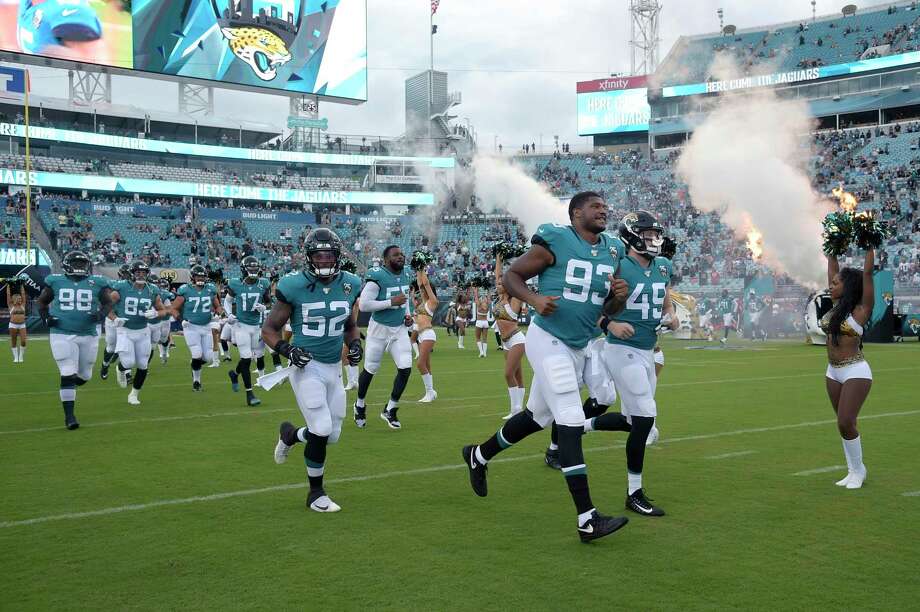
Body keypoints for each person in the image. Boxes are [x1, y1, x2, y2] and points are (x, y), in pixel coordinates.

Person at [460, 191, 631, 543]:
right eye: (595, 206)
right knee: (569, 417)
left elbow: (608, 309)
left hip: (580, 344)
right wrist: (535, 299)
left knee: (537, 417)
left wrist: (619, 297)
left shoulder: (613, 248)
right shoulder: (555, 239)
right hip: (548, 337)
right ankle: (587, 519)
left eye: (604, 206)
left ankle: (478, 455)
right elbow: (512, 276)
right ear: (576, 212)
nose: (603, 210)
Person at [267, 228, 363, 513]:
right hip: (306, 366)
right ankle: (315, 493)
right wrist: (286, 349)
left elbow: (349, 326)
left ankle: (291, 436)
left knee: (330, 435)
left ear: (338, 256)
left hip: (333, 368)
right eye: (318, 256)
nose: (324, 261)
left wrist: (355, 344)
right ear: (308, 258)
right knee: (320, 428)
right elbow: (269, 329)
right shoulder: (293, 286)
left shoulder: (350, 283)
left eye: (329, 255)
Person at [591, 211, 678, 517]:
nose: (654, 240)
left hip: (647, 350)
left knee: (632, 420)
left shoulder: (663, 266)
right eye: (649, 235)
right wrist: (609, 325)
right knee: (645, 417)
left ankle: (579, 425)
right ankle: (634, 492)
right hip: (620, 348)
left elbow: (666, 301)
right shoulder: (619, 266)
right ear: (631, 236)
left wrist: (672, 316)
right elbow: (593, 305)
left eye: (656, 235)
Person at [37, 251, 116, 429]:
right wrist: (46, 319)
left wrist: (101, 315)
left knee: (85, 374)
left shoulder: (97, 283)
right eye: (76, 263)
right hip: (61, 332)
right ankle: (70, 417)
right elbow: (41, 302)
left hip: (88, 333)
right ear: (66, 264)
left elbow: (108, 303)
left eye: (82, 264)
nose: (80, 267)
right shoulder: (55, 281)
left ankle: (69, 387)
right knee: (67, 371)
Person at [822, 248, 874, 489]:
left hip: (855, 371)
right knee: (842, 423)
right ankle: (853, 470)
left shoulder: (861, 311)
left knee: (846, 421)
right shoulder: (836, 306)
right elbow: (832, 268)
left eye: (836, 283)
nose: (831, 286)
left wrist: (869, 246)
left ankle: (859, 470)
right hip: (832, 371)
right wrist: (832, 249)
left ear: (848, 286)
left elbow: (867, 274)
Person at [354, 245, 413, 430]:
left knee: (406, 368)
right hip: (379, 330)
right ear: (386, 260)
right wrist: (390, 302)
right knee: (370, 369)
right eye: (396, 255)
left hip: (399, 329)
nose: (400, 256)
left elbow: (405, 299)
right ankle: (360, 404)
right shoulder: (377, 276)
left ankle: (390, 409)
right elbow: (364, 305)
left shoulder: (405, 274)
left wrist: (408, 315)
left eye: (401, 253)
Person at [110, 261, 166, 405]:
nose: (141, 275)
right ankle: (120, 369)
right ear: (132, 274)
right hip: (125, 330)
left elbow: (163, 310)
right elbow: (106, 305)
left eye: (143, 273)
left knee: (142, 364)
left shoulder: (152, 289)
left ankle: (134, 394)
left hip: (143, 331)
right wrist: (114, 318)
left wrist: (155, 313)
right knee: (128, 362)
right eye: (138, 272)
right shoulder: (122, 287)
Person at [226, 256, 271, 406]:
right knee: (246, 358)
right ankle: (249, 394)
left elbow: (268, 300)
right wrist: (229, 314)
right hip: (240, 324)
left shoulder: (264, 283)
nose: (253, 271)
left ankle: (235, 374)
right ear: (244, 269)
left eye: (255, 268)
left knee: (247, 358)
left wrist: (265, 307)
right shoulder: (235, 283)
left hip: (255, 326)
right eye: (250, 268)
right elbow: (227, 301)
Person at [170, 265, 223, 391]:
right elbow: (173, 308)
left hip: (206, 326)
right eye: (198, 276)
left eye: (203, 276)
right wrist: (181, 320)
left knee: (208, 357)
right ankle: (196, 382)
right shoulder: (185, 290)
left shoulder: (210, 289)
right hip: (191, 326)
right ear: (192, 277)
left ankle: (194, 365)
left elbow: (218, 306)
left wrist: (220, 314)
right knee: (197, 353)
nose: (201, 278)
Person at [493, 251, 526, 419]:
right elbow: (497, 274)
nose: (498, 284)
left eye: (500, 283)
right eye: (497, 283)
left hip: (517, 339)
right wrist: (499, 257)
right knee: (517, 375)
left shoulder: (515, 299)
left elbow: (518, 280)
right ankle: (519, 409)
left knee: (508, 374)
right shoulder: (499, 298)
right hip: (506, 342)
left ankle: (515, 410)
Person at [100, 264, 131, 380]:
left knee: (127, 346)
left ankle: (127, 373)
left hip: (127, 321)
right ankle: (105, 365)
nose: (128, 276)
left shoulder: (137, 287)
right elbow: (106, 305)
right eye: (126, 274)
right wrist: (114, 317)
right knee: (111, 347)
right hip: (112, 319)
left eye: (130, 274)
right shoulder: (114, 286)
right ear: (120, 275)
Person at [413, 268, 439, 402]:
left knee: (420, 364)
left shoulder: (433, 302)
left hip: (428, 334)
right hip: (421, 335)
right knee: (427, 365)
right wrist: (418, 268)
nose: (421, 290)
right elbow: (420, 283)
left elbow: (425, 283)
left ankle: (429, 392)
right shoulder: (424, 302)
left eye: (424, 289)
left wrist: (423, 268)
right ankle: (431, 392)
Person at [156, 277, 176, 364]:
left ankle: (164, 353)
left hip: (164, 319)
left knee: (164, 338)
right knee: (153, 339)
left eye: (164, 286)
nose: (162, 288)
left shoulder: (168, 295)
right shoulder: (150, 292)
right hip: (153, 320)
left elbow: (170, 308)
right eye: (161, 286)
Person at [7, 281, 27, 363]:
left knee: (23, 341)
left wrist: (22, 284)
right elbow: (8, 295)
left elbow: (23, 294)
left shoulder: (23, 305)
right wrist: (8, 284)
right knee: (14, 341)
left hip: (22, 325)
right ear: (14, 299)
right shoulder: (11, 305)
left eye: (20, 298)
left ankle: (21, 356)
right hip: (13, 325)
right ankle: (16, 357)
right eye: (18, 298)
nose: (20, 299)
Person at [471, 284, 491, 357]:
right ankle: (485, 353)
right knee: (485, 338)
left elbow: (476, 297)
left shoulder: (479, 305)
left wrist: (476, 290)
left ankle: (481, 352)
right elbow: (489, 298)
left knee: (478, 338)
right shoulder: (488, 305)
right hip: (486, 322)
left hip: (479, 322)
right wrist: (488, 290)